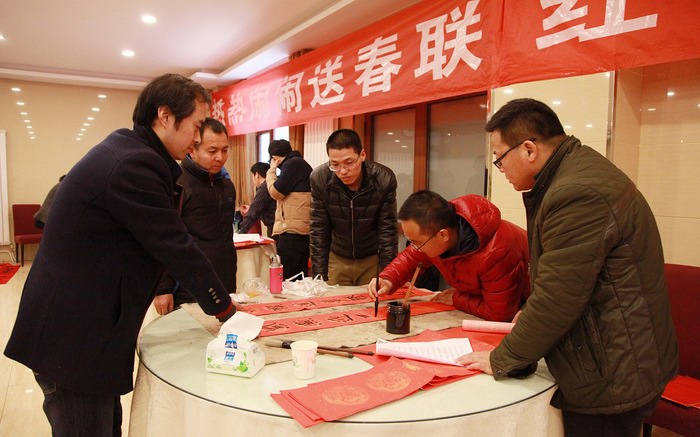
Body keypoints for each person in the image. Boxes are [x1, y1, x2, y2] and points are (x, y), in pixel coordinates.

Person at [4, 73, 238, 436]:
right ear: (164, 115)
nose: (198, 137)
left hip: (85, 333)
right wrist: (226, 311)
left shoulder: (130, 151)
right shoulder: (134, 164)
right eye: (196, 125)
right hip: (75, 340)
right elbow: (176, 246)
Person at [458, 98, 678, 436]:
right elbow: (573, 276)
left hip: (614, 369)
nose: (501, 170)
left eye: (500, 159)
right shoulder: (576, 173)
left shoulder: (576, 192)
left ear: (529, 150)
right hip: (621, 355)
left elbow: (559, 298)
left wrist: (503, 358)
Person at [369, 190, 529, 322]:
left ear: (443, 235)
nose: (414, 247)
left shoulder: (497, 251)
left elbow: (500, 314)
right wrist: (388, 279)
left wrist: (457, 298)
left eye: (416, 242)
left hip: (526, 306)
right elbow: (411, 258)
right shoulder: (437, 229)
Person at [152, 117, 237, 315]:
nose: (220, 157)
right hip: (187, 286)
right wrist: (163, 288)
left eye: (225, 150)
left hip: (224, 281)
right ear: (193, 149)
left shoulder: (226, 184)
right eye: (212, 151)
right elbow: (162, 239)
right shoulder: (177, 184)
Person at [310, 129, 398, 285]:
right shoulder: (320, 178)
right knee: (332, 300)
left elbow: (387, 230)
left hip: (371, 259)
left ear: (362, 155)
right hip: (337, 258)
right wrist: (319, 278)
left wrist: (388, 276)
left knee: (373, 300)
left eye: (349, 163)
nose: (343, 171)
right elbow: (319, 230)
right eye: (335, 165)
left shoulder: (383, 178)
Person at [266, 139, 313, 280]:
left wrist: (271, 170)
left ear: (274, 158)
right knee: (299, 277)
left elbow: (275, 192)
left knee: (288, 278)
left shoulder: (292, 164)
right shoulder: (300, 163)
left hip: (292, 232)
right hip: (302, 230)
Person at [240, 162, 276, 237]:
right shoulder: (272, 185)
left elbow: (253, 213)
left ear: (257, 175)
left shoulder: (264, 188)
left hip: (274, 229)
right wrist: (250, 208)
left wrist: (241, 233)